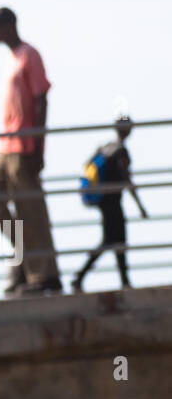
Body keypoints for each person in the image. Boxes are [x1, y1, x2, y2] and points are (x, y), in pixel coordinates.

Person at [0, 7, 62, 296]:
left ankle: (43, 275)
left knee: (31, 210)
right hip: (7, 144)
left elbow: (41, 101)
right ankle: (26, 257)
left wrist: (38, 145)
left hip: (24, 144)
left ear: (8, 26)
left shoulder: (30, 55)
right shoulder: (11, 58)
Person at [72, 115, 148, 292]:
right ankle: (85, 277)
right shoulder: (121, 151)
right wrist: (140, 206)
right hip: (113, 201)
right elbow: (127, 179)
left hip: (103, 200)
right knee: (115, 240)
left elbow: (87, 166)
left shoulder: (104, 147)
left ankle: (121, 280)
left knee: (113, 240)